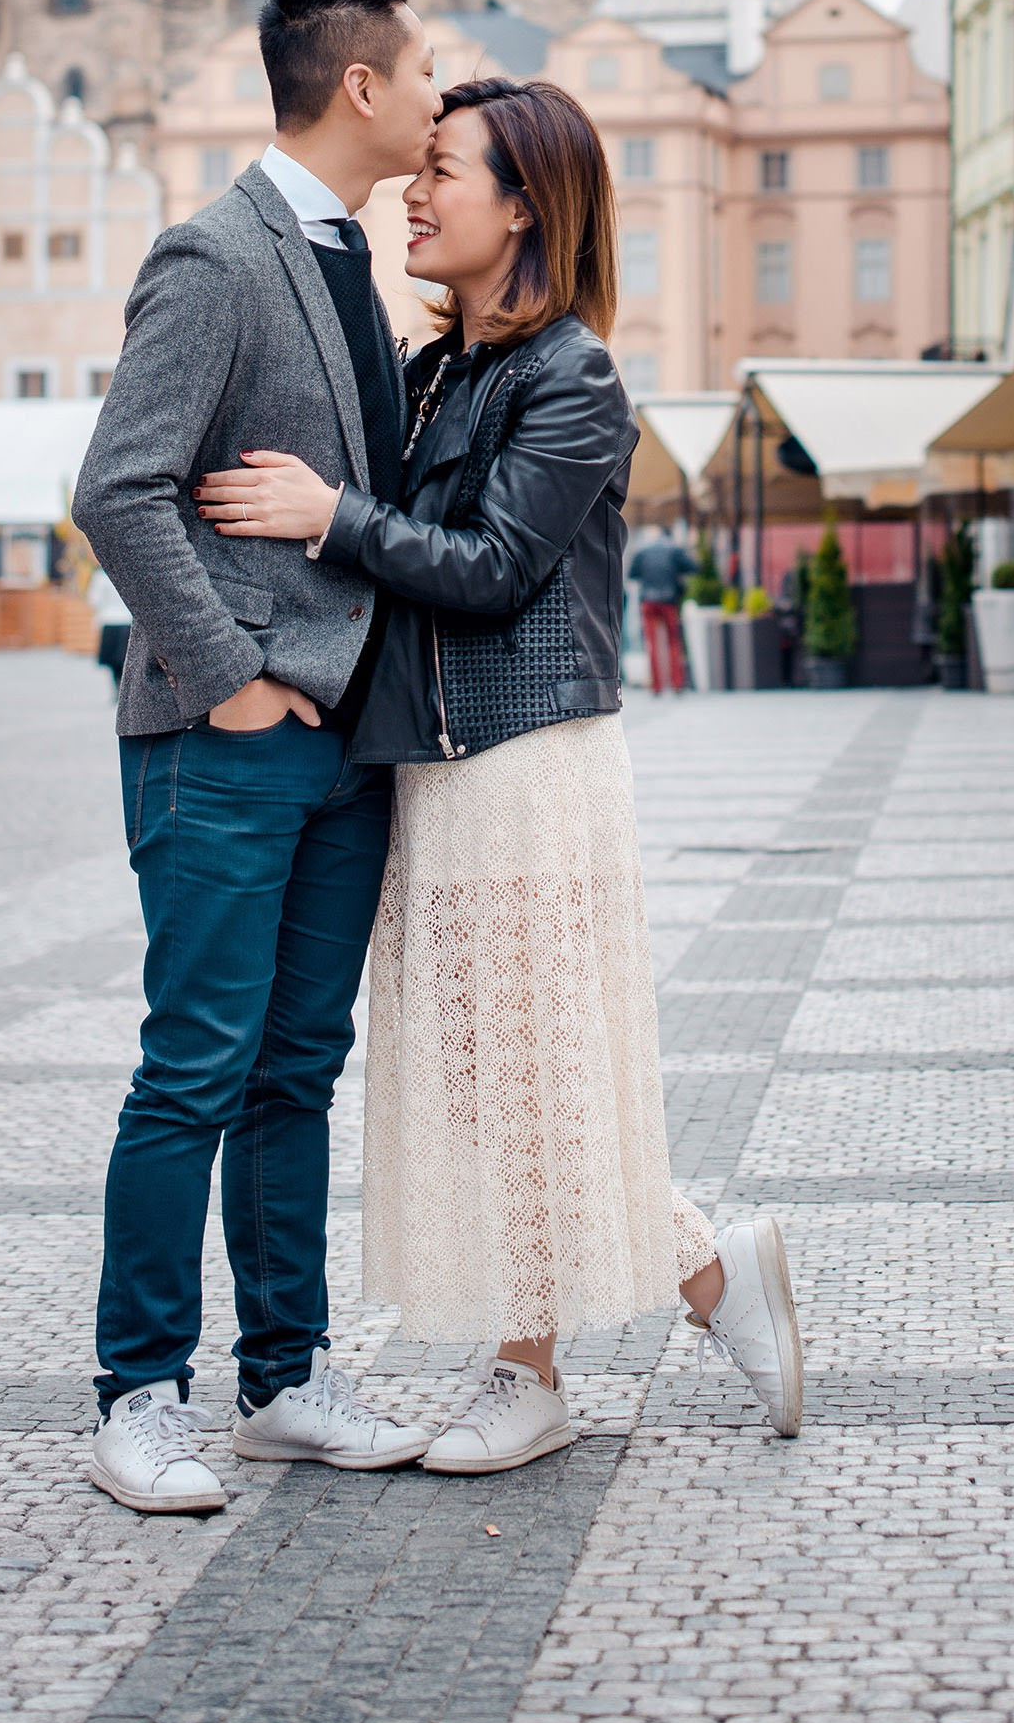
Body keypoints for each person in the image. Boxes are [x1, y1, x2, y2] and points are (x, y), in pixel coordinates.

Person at [195, 76, 803, 1474]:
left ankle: (530, 1372)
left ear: (525, 205)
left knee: (519, 1074)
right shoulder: (442, 368)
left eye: (445, 170)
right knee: (490, 1080)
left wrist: (328, 514)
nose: (415, 187)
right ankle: (710, 1272)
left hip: (527, 760)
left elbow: (491, 574)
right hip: (439, 761)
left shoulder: (571, 374)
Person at [70, 0, 441, 1516]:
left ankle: (284, 1381)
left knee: (297, 1066)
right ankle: (138, 1392)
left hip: (341, 741)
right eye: (422, 70)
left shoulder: (355, 260)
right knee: (198, 1065)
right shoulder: (217, 257)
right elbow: (118, 486)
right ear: (359, 84)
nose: (437, 93)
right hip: (225, 735)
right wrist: (224, 673)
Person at [628, 527, 692, 693]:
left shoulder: (643, 551)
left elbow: (632, 574)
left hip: (648, 601)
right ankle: (677, 684)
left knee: (652, 644)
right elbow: (692, 567)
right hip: (669, 600)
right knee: (673, 642)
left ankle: (656, 686)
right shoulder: (674, 550)